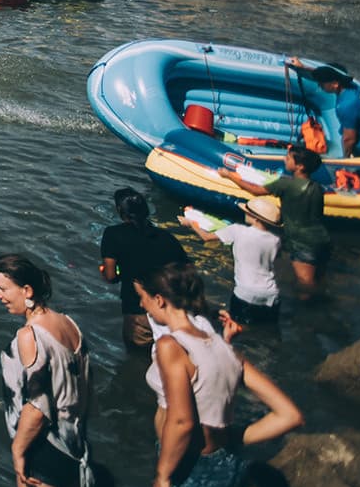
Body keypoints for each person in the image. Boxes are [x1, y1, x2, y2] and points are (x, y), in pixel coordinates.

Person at [136, 261, 303, 487]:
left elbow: (182, 421)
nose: (142, 305)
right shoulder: (225, 350)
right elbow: (290, 415)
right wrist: (233, 437)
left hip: (190, 467)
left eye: (143, 297)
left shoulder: (171, 346)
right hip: (226, 465)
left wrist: (162, 475)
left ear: (159, 300)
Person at [0, 252, 92, 487]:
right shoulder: (69, 325)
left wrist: (18, 451)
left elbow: (37, 406)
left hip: (44, 447)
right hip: (75, 444)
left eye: (2, 288)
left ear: (26, 290)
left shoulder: (29, 336)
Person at [231, 149, 329, 302]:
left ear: (300, 166)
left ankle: (309, 319)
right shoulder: (317, 187)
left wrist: (230, 176)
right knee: (318, 280)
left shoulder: (286, 184)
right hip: (323, 238)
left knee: (305, 284)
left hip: (302, 242)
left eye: (289, 158)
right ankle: (321, 304)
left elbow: (255, 190)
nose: (285, 160)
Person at [101, 188, 188, 350]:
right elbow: (187, 271)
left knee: (138, 360)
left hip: (137, 309)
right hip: (170, 311)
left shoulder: (113, 234)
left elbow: (110, 275)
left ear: (120, 210)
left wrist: (113, 272)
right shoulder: (167, 238)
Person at [190, 197, 282, 338]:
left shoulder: (237, 230)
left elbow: (206, 237)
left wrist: (191, 223)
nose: (244, 213)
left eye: (248, 212)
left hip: (246, 293)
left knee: (237, 331)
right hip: (271, 293)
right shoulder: (276, 240)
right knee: (268, 330)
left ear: (256, 218)